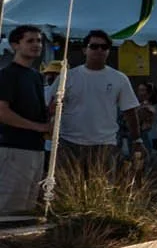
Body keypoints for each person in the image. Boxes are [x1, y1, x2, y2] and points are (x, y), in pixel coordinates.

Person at [53, 29, 142, 175]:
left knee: (101, 192)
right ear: (84, 50)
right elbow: (51, 105)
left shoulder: (119, 78)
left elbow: (130, 111)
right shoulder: (68, 77)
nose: (99, 50)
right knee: (68, 190)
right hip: (70, 142)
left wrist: (137, 140)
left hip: (104, 144)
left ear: (108, 51)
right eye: (94, 46)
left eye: (104, 47)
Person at [0, 26, 53, 215]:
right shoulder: (7, 75)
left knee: (27, 206)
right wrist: (38, 127)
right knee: (9, 207)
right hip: (14, 147)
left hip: (35, 148)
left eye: (39, 41)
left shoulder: (36, 76)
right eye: (30, 41)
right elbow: (2, 112)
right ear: (15, 45)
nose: (36, 45)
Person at [133, 82, 157, 152]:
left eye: (143, 90)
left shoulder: (156, 104)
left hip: (153, 133)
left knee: (151, 150)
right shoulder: (156, 103)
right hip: (153, 132)